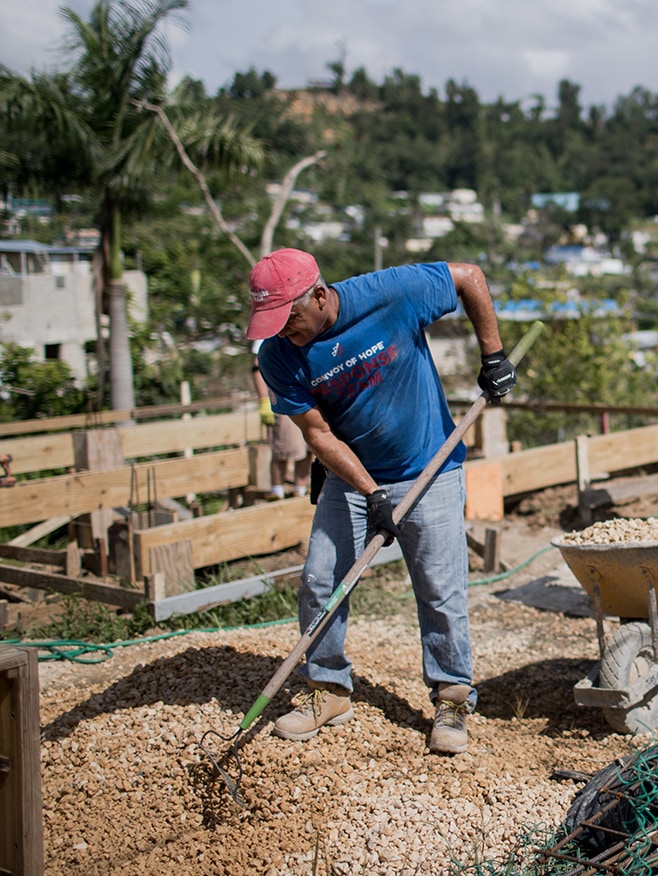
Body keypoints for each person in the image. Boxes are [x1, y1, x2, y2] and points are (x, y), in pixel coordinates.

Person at [246, 247, 517, 754]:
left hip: (429, 468)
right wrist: (372, 493)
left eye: (291, 317)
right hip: (350, 477)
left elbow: (468, 276)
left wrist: (493, 354)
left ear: (320, 295)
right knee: (320, 579)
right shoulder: (278, 356)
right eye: (273, 322)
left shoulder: (389, 293)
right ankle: (327, 689)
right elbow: (318, 434)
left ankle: (452, 696)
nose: (285, 330)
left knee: (440, 589)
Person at [252, 339, 312, 499]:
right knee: (284, 447)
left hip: (305, 391)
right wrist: (264, 399)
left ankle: (299, 488)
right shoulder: (266, 333)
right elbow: (257, 367)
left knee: (310, 443)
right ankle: (277, 490)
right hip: (282, 393)